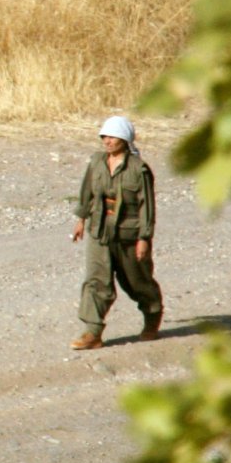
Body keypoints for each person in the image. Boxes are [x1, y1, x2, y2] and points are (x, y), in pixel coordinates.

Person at [70, 116, 163, 350]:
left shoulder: (138, 169)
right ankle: (93, 332)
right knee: (96, 280)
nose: (108, 141)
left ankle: (152, 314)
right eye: (105, 136)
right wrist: (81, 219)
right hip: (99, 230)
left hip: (129, 234)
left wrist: (144, 238)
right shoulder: (97, 162)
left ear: (125, 140)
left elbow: (147, 207)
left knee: (137, 280)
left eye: (113, 137)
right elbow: (86, 191)